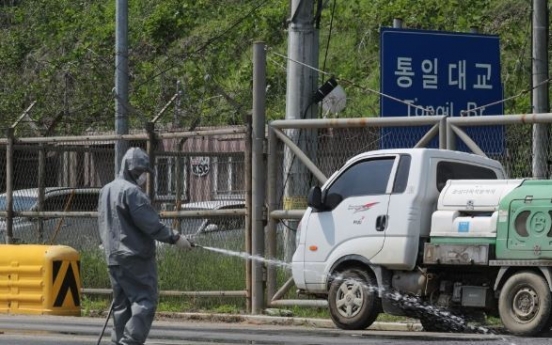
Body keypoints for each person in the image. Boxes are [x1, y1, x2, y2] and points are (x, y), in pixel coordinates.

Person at [98, 147, 193, 345]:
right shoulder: (132, 192)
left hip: (113, 255)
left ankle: (118, 342)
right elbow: (150, 223)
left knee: (121, 305)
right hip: (135, 257)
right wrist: (174, 238)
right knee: (144, 302)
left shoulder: (107, 189)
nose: (141, 176)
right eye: (139, 172)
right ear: (132, 170)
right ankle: (130, 343)